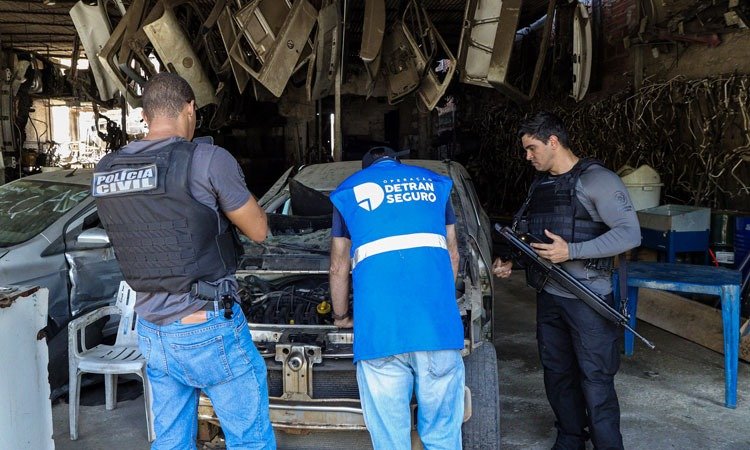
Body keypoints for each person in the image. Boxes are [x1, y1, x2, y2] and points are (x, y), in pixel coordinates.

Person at [92, 73, 276, 450]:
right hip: (205, 324)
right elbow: (259, 230)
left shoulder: (108, 168)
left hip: (151, 330)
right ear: (190, 109)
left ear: (145, 116)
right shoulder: (207, 159)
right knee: (250, 439)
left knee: (172, 441)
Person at [493, 112, 640, 450]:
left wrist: (572, 250)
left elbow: (630, 235)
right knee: (557, 374)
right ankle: (570, 438)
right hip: (550, 295)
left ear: (553, 142)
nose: (527, 157)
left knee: (595, 379)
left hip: (589, 298)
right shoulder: (541, 186)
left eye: (532, 148)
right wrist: (511, 263)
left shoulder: (598, 180)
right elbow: (536, 239)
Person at [328, 147, 465, 450]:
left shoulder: (350, 190)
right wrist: (440, 302)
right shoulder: (435, 184)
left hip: (380, 332)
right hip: (437, 328)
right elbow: (452, 255)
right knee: (443, 436)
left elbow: (339, 267)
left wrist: (341, 317)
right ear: (398, 163)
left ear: (367, 169)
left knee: (391, 442)